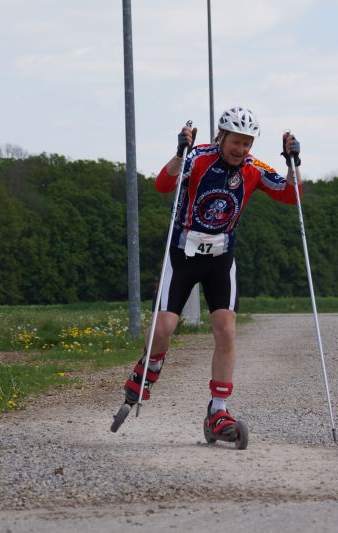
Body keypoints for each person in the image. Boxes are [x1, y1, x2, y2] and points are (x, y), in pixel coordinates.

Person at [114, 106, 302, 441]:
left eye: (247, 143)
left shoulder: (254, 168)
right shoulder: (198, 157)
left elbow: (292, 195)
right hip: (182, 255)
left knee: (226, 332)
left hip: (220, 259)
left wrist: (293, 162)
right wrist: (179, 153)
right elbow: (163, 185)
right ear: (221, 137)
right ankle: (151, 365)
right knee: (163, 330)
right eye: (235, 142)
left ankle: (218, 411)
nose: (240, 149)